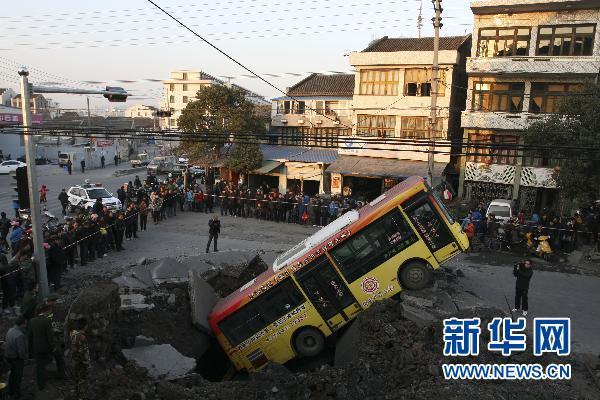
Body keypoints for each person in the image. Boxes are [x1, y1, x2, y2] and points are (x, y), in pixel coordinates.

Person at [28, 303, 64, 391]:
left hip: (37, 348)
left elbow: (30, 337)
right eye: (49, 311)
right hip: (47, 347)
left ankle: (41, 385)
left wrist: (30, 350)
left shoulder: (32, 321)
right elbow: (50, 337)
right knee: (59, 357)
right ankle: (61, 374)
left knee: (39, 366)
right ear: (46, 311)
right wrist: (53, 347)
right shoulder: (47, 321)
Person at [5, 315, 27, 399]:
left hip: (8, 358)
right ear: (22, 324)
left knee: (10, 376)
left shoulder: (10, 330)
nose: (25, 326)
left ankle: (10, 393)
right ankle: (16, 395)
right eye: (25, 324)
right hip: (16, 359)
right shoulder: (20, 335)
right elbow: (21, 352)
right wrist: (24, 357)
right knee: (17, 378)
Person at [70, 318, 91, 400]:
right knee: (83, 381)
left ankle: (77, 395)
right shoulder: (82, 337)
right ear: (84, 326)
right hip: (82, 361)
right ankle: (82, 397)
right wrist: (87, 363)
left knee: (76, 378)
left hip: (75, 360)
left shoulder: (73, 333)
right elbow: (85, 352)